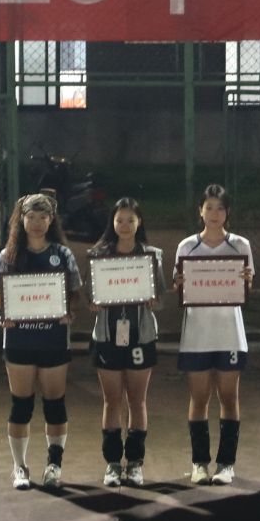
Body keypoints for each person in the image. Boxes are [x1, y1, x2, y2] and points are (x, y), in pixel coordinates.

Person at [0, 192, 82, 489]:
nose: (37, 223)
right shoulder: (8, 255)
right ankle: (20, 467)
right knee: (21, 404)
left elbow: (74, 292)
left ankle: (54, 465)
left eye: (44, 217)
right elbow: (0, 293)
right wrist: (5, 311)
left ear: (52, 220)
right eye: (31, 217)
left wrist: (68, 310)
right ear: (21, 220)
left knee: (54, 404)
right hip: (19, 339)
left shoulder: (62, 254)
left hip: (53, 339)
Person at [172, 184, 256, 485]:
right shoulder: (186, 247)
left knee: (229, 397)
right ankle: (199, 463)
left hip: (230, 333)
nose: (214, 213)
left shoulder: (241, 245)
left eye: (220, 208)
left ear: (227, 212)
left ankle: (226, 464)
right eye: (209, 207)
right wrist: (181, 283)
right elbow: (178, 286)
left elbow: (246, 288)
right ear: (200, 211)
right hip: (197, 333)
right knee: (199, 398)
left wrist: (246, 281)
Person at [88, 198, 166, 487]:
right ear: (112, 222)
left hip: (140, 336)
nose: (124, 225)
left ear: (139, 222)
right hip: (107, 336)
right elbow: (90, 297)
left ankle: (134, 463)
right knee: (111, 400)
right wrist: (94, 304)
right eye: (119, 220)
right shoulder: (99, 256)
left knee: (137, 400)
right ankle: (112, 463)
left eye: (130, 220)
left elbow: (161, 298)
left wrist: (153, 300)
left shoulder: (151, 256)